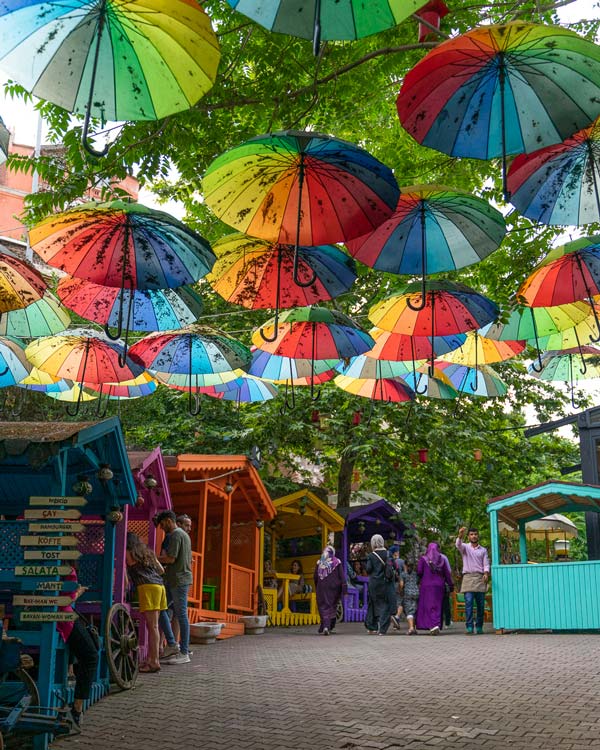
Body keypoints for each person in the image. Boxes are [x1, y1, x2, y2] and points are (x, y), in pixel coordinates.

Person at [57, 566, 99, 728]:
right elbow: (68, 599)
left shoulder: (30, 564)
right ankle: (77, 708)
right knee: (91, 656)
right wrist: (79, 592)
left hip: (31, 615)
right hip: (63, 618)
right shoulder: (68, 570)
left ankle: (70, 672)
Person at [126, 532, 168, 673]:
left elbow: (125, 576)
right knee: (155, 626)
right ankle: (152, 658)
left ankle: (154, 661)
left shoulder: (128, 553)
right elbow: (161, 570)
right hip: (159, 587)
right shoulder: (147, 552)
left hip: (147, 587)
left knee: (153, 627)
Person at [156, 509, 193, 664]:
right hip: (175, 580)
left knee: (181, 615)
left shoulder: (177, 535)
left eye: (163, 524)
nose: (162, 527)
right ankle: (172, 644)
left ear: (169, 521)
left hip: (179, 581)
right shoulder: (182, 535)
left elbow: (171, 559)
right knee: (161, 608)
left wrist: (152, 558)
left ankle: (184, 652)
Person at [456, 526, 490, 635]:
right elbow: (458, 545)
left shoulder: (483, 550)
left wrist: (486, 574)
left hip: (480, 578)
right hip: (468, 577)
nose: (474, 536)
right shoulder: (465, 547)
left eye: (475, 534)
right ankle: (469, 627)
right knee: (469, 603)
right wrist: (460, 534)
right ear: (468, 536)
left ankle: (479, 626)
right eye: (471, 534)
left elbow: (486, 564)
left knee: (480, 605)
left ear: (478, 536)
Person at [416, 542, 454, 635]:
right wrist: (451, 585)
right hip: (439, 586)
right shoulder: (442, 560)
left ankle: (432, 625)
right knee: (437, 606)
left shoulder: (423, 559)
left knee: (428, 606)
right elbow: (447, 574)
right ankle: (435, 624)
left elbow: (419, 572)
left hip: (426, 585)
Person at [364, 534, 396, 635]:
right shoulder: (388, 554)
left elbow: (368, 569)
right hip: (385, 583)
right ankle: (382, 629)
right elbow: (393, 567)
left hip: (374, 583)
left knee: (373, 604)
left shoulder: (371, 556)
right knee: (385, 605)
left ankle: (371, 626)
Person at [313, 545, 346, 635]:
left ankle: (326, 626)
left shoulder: (319, 562)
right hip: (334, 588)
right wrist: (344, 588)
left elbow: (315, 577)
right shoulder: (337, 562)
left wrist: (317, 586)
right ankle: (328, 626)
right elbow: (342, 576)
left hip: (322, 587)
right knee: (332, 606)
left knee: (323, 606)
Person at [388, 544, 406, 630]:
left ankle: (396, 624)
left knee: (394, 603)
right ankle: (397, 618)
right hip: (399, 584)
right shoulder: (401, 561)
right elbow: (405, 573)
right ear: (396, 552)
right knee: (400, 603)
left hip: (390, 585)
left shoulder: (389, 561)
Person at [400, 559, 420, 635]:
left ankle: (411, 628)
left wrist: (401, 590)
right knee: (414, 609)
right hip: (416, 593)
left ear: (405, 565)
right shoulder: (416, 574)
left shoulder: (403, 574)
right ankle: (414, 628)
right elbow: (418, 582)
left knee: (409, 611)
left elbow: (401, 585)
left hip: (407, 593)